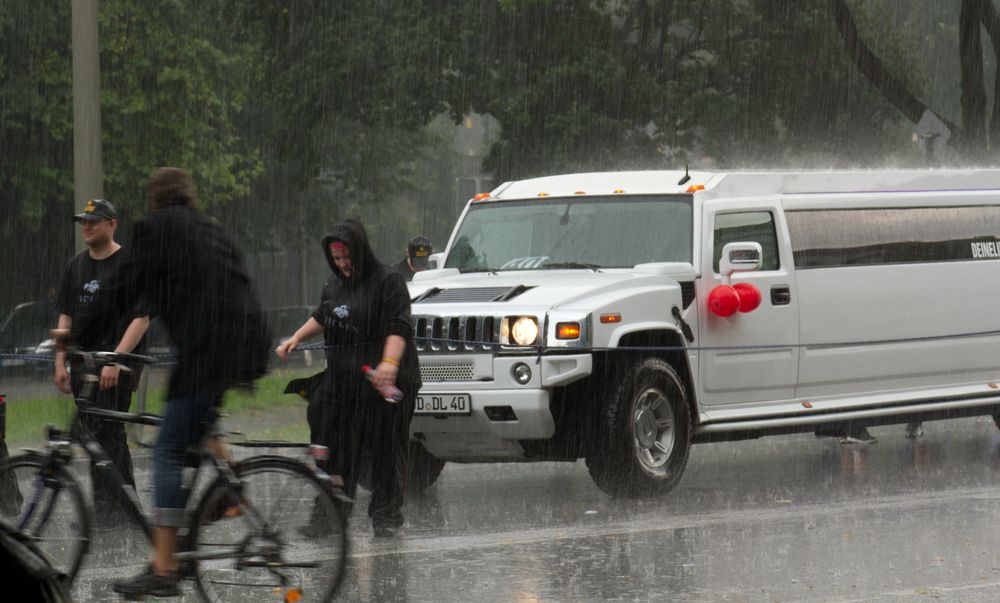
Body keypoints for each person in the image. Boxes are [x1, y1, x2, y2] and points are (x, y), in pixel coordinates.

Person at [112, 168, 270, 598]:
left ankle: (164, 568)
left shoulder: (154, 229)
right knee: (197, 424)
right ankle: (231, 486)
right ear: (188, 196)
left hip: (209, 348)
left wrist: (81, 332)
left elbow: (125, 289)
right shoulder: (207, 228)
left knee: (165, 450)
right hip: (245, 340)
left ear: (153, 200)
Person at [276, 219, 420, 537]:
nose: (342, 265)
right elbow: (324, 315)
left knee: (386, 448)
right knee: (337, 444)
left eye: (347, 258)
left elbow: (399, 327)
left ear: (361, 252)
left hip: (390, 382)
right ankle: (330, 514)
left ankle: (386, 517)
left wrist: (389, 363)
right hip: (351, 379)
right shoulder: (334, 284)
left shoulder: (389, 281)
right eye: (337, 259)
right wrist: (295, 338)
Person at [53, 198, 149, 526]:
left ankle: (114, 513)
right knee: (94, 437)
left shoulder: (129, 264)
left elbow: (141, 318)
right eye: (84, 221)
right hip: (84, 365)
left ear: (112, 224)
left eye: (95, 221)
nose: (87, 226)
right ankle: (121, 509)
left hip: (117, 364)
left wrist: (116, 360)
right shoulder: (76, 266)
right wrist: (60, 360)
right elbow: (65, 316)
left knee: (106, 434)